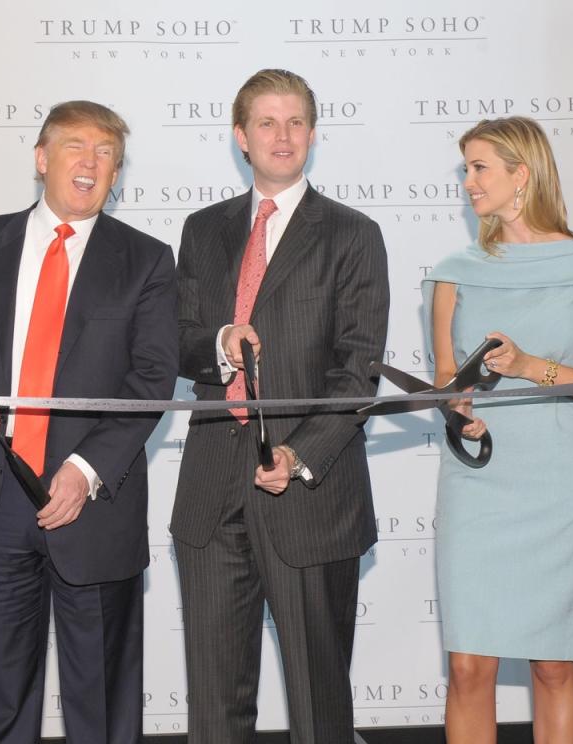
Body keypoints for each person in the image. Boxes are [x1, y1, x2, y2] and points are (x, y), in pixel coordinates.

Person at [0, 100, 178, 743]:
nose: (90, 162)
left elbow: (152, 378)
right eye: (75, 146)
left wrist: (85, 471)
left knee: (102, 711)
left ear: (117, 173)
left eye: (106, 152)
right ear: (40, 158)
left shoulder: (146, 260)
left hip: (93, 507)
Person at [171, 68, 389, 744]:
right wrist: (219, 345)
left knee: (320, 711)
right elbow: (177, 344)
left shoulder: (352, 234)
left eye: (295, 121)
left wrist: (297, 455)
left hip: (310, 496)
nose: (282, 135)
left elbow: (359, 373)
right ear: (241, 137)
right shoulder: (202, 230)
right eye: (266, 122)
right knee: (214, 710)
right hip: (211, 490)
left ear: (315, 133)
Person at [421, 116, 573, 744]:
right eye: (465, 168)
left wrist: (529, 367)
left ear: (522, 174)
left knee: (552, 665)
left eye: (479, 167)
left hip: (559, 484)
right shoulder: (452, 272)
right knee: (468, 667)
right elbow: (445, 380)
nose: (467, 181)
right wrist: (454, 408)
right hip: (480, 485)